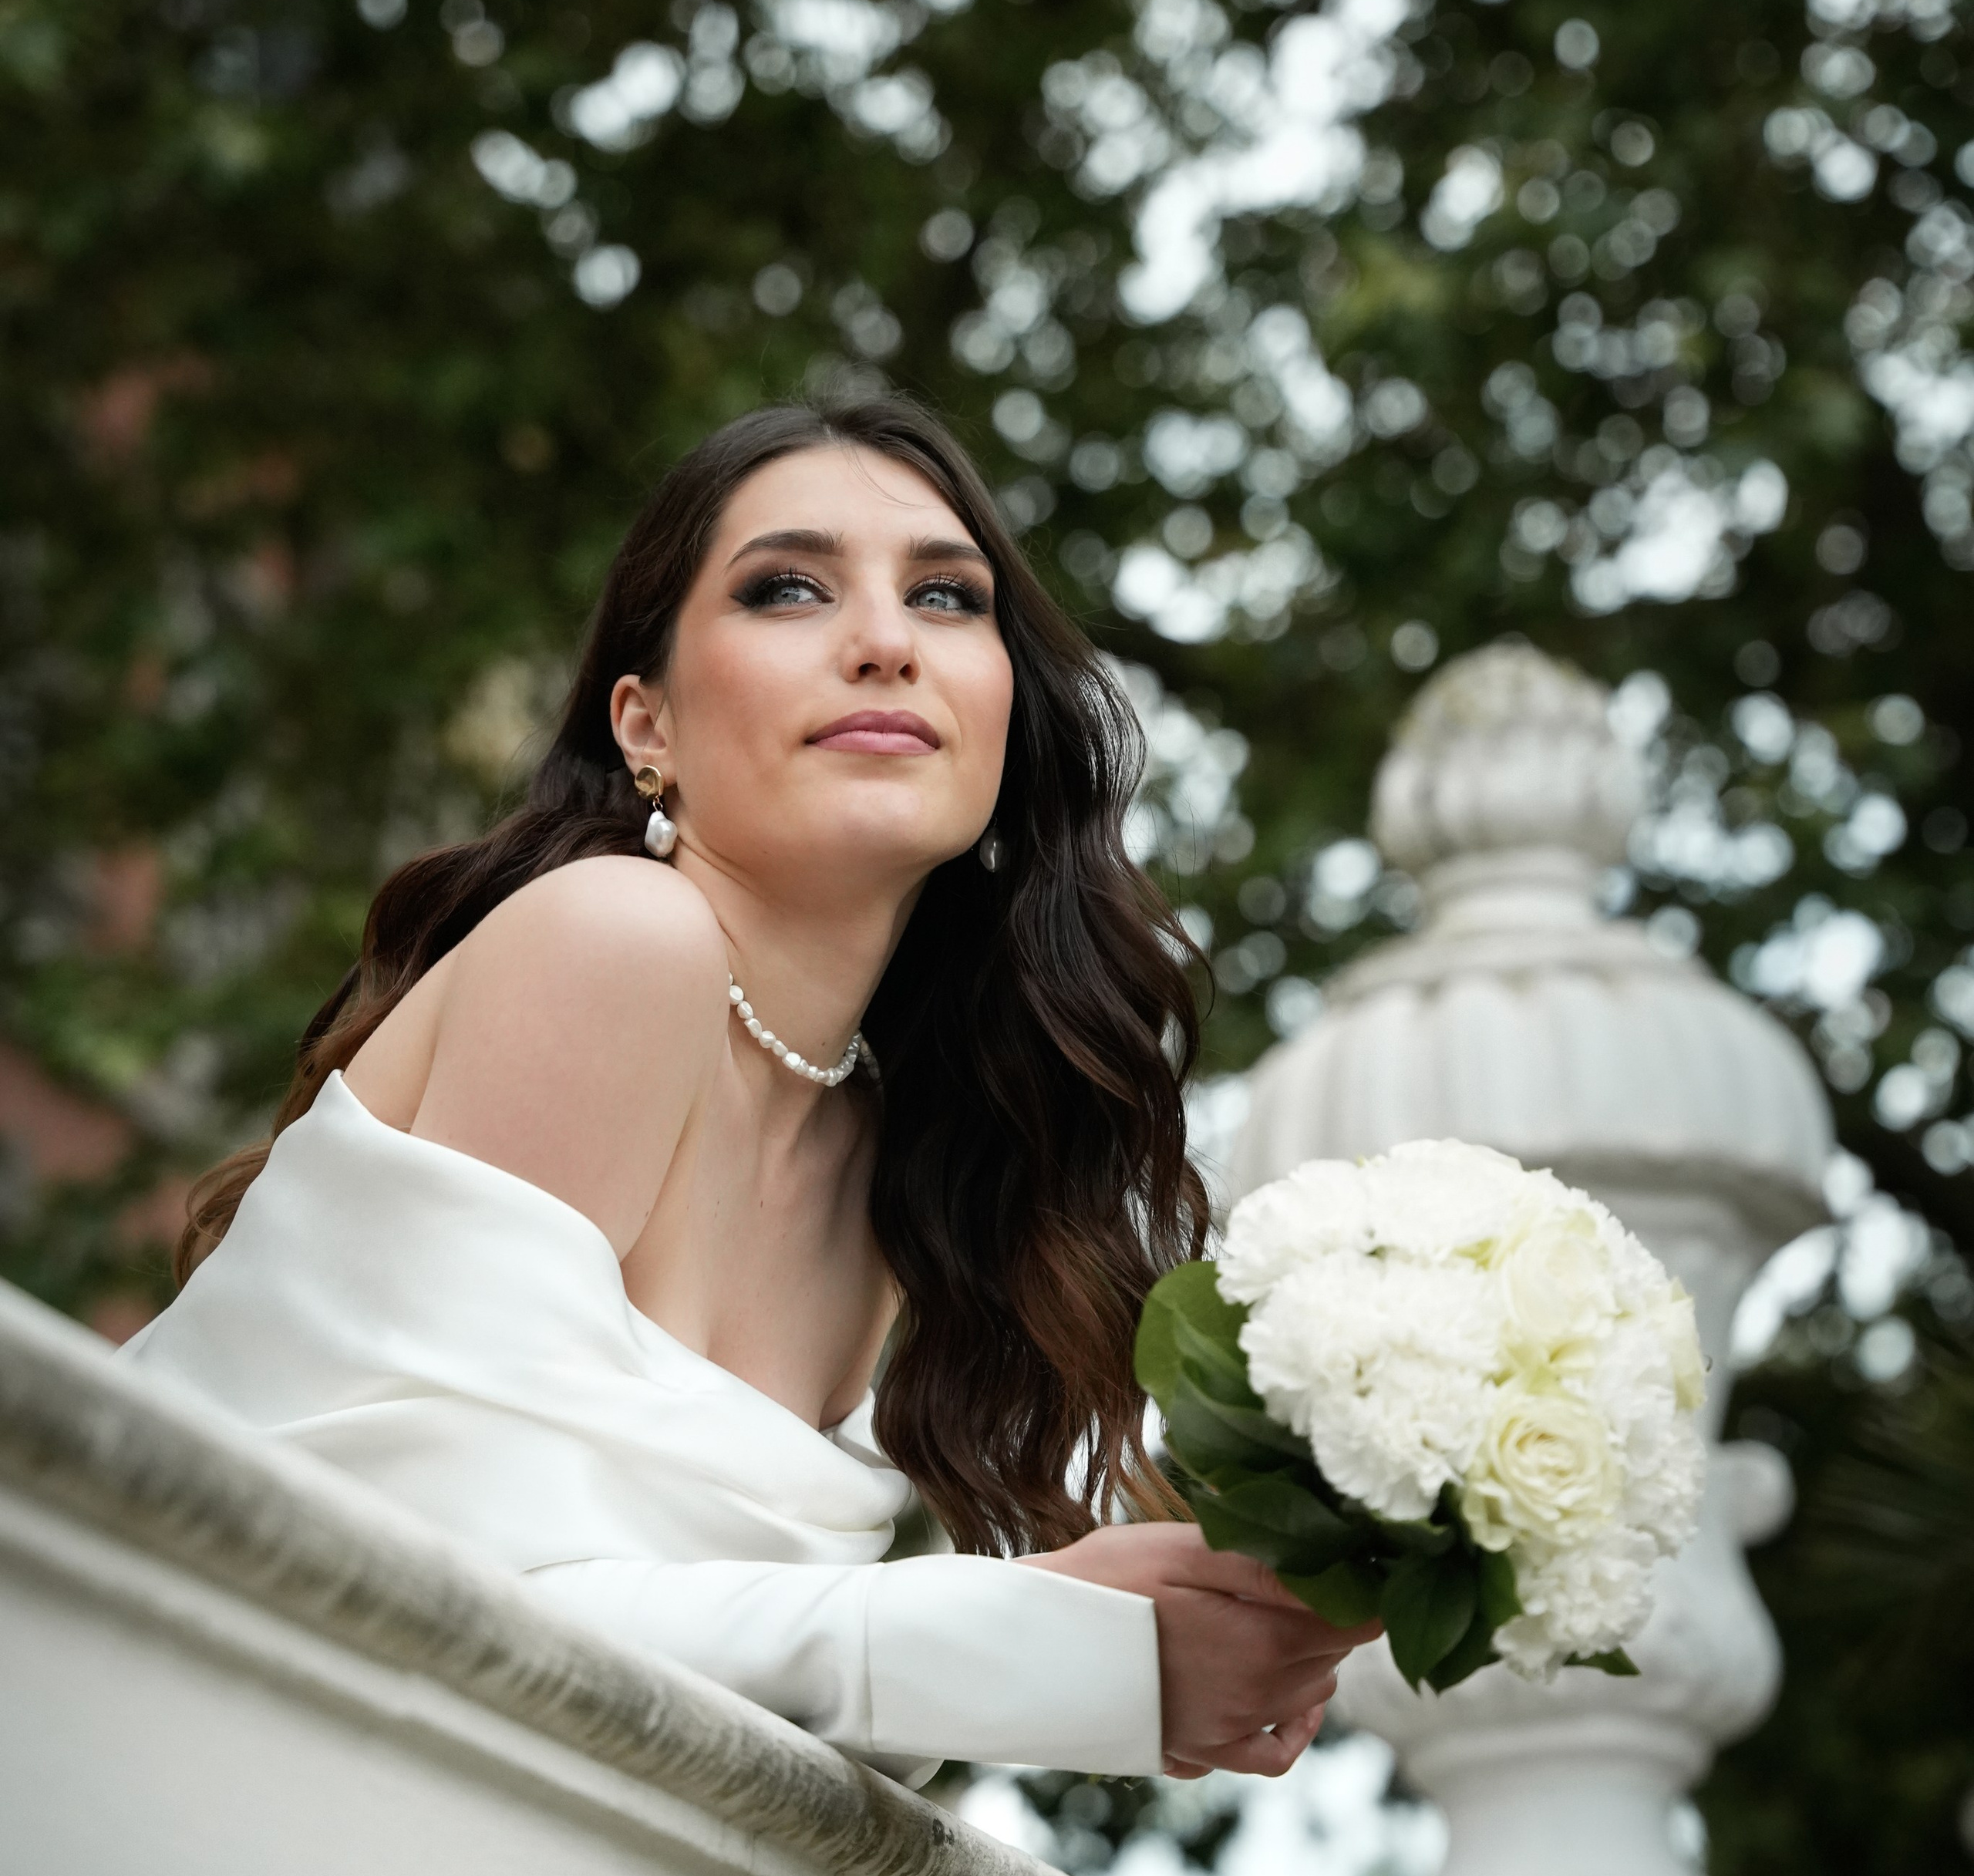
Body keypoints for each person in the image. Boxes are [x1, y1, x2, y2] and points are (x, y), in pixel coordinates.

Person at [127, 396, 1372, 1785]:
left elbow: (716, 1693)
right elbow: (446, 1605)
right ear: (645, 723)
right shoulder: (613, 938)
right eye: (788, 588)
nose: (887, 641)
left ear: (1005, 721)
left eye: (947, 597)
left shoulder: (891, 1161)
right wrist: (1043, 1648)